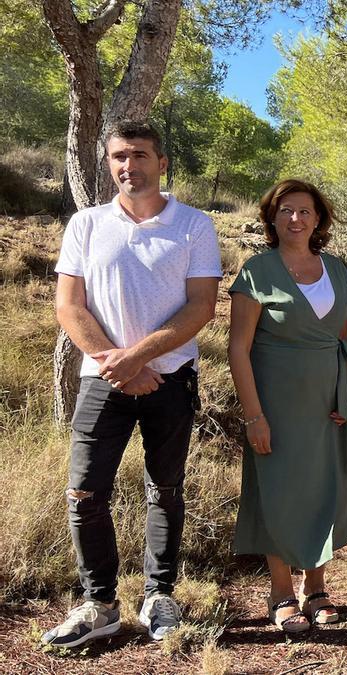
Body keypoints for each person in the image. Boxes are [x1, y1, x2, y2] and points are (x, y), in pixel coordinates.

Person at [42, 120, 221, 648]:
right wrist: (115, 364)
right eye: (119, 156)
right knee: (84, 491)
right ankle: (100, 605)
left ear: (162, 163)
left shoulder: (194, 225)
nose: (129, 166)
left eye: (140, 155)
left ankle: (159, 595)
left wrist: (140, 358)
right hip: (102, 382)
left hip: (170, 381)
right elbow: (68, 306)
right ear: (108, 163)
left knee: (165, 490)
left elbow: (201, 307)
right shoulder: (87, 224)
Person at [228, 179, 347, 633]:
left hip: (329, 408)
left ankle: (316, 586)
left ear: (318, 218)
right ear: (272, 217)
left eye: (304, 211)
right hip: (275, 406)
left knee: (324, 490)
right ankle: (281, 591)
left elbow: (344, 338)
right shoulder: (256, 272)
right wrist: (254, 416)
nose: (295, 219)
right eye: (285, 211)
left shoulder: (338, 269)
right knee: (278, 494)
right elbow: (238, 349)